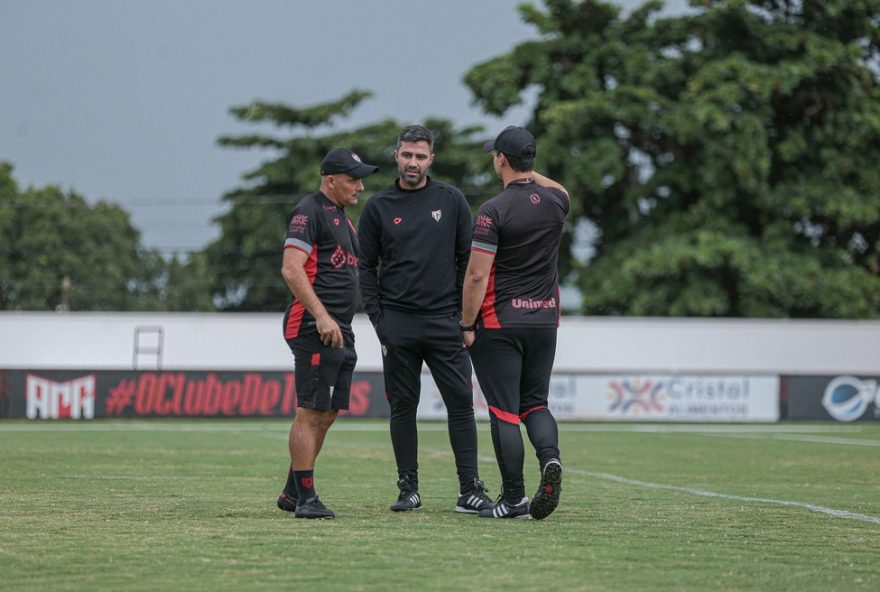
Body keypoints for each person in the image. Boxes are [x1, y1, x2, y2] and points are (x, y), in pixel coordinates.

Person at [358, 125, 494, 514]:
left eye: (420, 156)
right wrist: (380, 321)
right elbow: (365, 268)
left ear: (431, 159)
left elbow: (467, 263)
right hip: (397, 325)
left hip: (444, 323)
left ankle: (469, 489)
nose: (412, 162)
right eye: (406, 154)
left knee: (461, 405)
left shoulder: (451, 200)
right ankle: (408, 489)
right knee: (403, 407)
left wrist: (463, 318)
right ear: (395, 156)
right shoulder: (378, 206)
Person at [461, 126, 568, 520]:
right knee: (535, 403)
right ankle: (550, 460)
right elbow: (560, 189)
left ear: (500, 159)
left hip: (501, 322)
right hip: (544, 319)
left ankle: (514, 499)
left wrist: (466, 324)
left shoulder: (493, 210)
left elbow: (476, 276)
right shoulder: (556, 202)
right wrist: (527, 172)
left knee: (504, 412)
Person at [275, 147, 378, 519]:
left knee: (329, 412)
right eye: (353, 179)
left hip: (340, 328)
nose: (360, 186)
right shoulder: (309, 211)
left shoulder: (343, 219)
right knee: (310, 411)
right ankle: (305, 498)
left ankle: (291, 491)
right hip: (313, 325)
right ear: (330, 179)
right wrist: (321, 316)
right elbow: (291, 269)